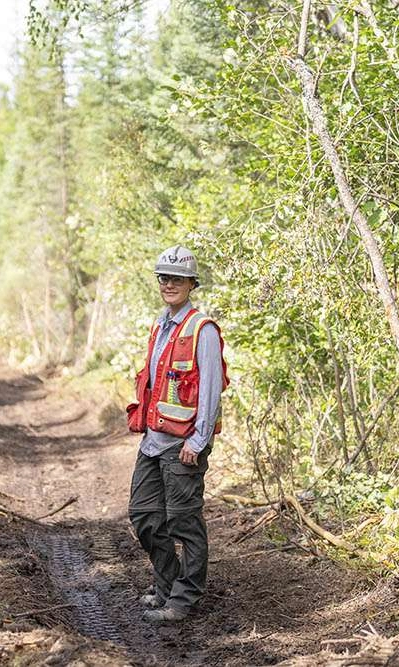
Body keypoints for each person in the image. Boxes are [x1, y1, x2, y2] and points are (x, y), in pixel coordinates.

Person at [126, 245, 229, 623]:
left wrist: (198, 440)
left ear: (191, 284)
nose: (169, 284)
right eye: (164, 278)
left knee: (184, 522)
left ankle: (184, 599)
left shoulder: (202, 330)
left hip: (184, 444)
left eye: (177, 279)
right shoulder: (160, 324)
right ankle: (166, 585)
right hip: (154, 440)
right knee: (144, 515)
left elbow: (210, 390)